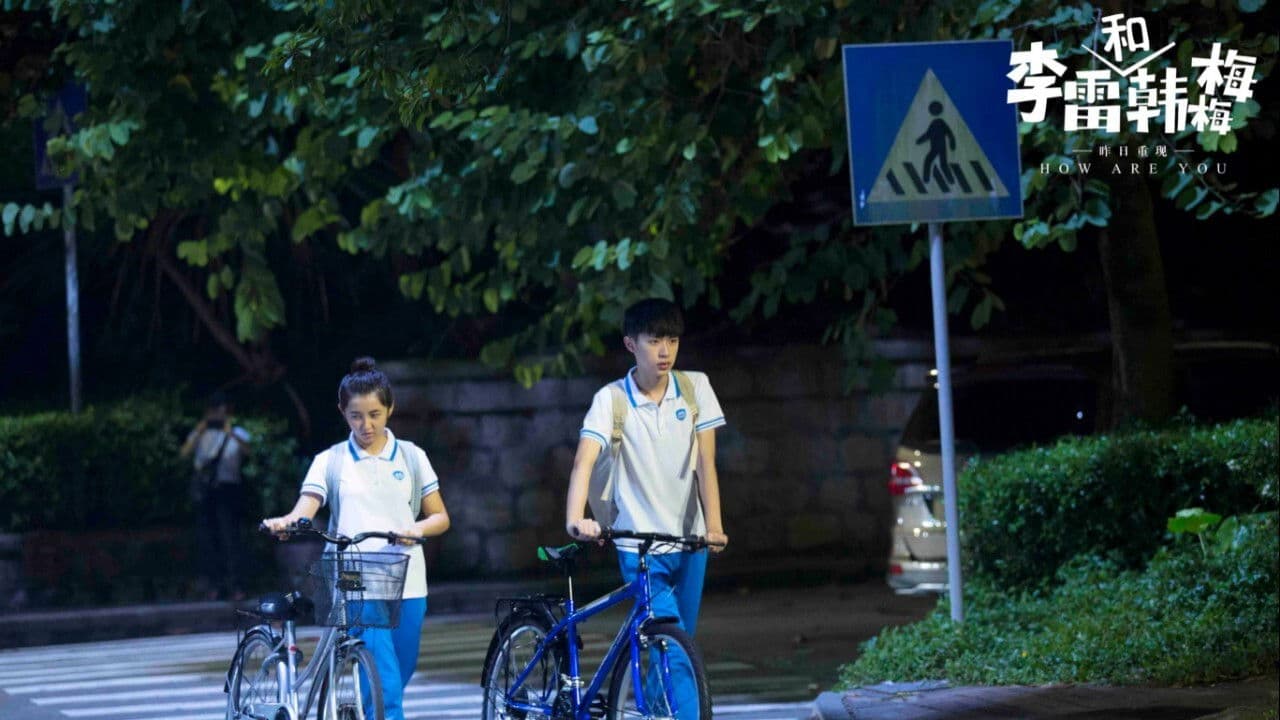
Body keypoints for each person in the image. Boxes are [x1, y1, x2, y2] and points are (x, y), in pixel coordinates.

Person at [564, 298, 728, 717]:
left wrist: (714, 526)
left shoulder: (695, 388)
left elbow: (706, 463)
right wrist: (576, 519)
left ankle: (656, 711)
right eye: (654, 341)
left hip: (690, 543)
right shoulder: (611, 400)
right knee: (675, 650)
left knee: (673, 644)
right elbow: (584, 461)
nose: (665, 351)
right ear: (630, 344)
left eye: (672, 340)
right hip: (639, 546)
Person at [263, 357, 450, 720]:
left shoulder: (412, 456)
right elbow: (306, 507)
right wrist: (288, 521)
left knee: (400, 666)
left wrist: (416, 530)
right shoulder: (330, 460)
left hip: (408, 575)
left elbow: (440, 517)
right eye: (356, 416)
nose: (367, 425)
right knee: (381, 669)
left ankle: (368, 710)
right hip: (352, 572)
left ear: (390, 408)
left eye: (375, 414)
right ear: (342, 412)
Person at [181, 390, 252, 601]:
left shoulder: (237, 432)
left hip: (229, 489)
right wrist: (201, 428)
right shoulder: (201, 433)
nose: (218, 414)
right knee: (208, 538)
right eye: (214, 410)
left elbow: (247, 452)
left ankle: (236, 585)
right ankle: (215, 585)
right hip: (207, 491)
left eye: (221, 410)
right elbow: (184, 453)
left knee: (231, 538)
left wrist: (229, 431)